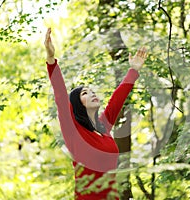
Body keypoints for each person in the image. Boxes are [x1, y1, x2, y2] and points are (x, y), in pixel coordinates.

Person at [44, 27, 147, 199]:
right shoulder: (73, 131)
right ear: (77, 104)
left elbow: (117, 99)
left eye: (91, 91)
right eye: (85, 93)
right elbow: (61, 95)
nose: (91, 93)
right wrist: (51, 59)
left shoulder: (103, 127)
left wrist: (133, 70)